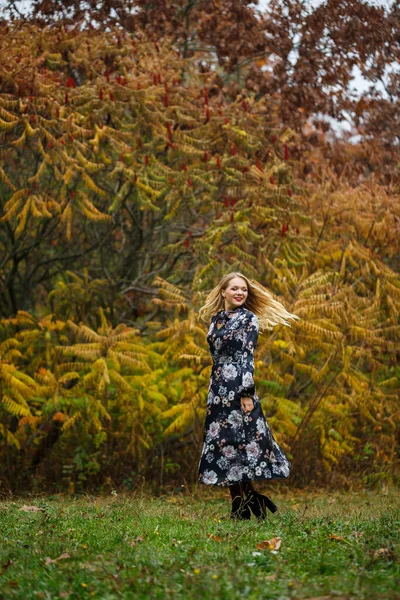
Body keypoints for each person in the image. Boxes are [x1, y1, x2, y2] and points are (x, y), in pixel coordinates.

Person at [197, 271, 299, 521]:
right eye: (234, 288)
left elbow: (246, 357)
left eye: (243, 289)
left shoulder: (248, 319)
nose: (240, 292)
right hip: (218, 389)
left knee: (241, 444)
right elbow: (216, 356)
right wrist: (215, 389)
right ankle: (242, 503)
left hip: (238, 387)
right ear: (223, 292)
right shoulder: (216, 319)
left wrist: (247, 393)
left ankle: (248, 500)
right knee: (224, 446)